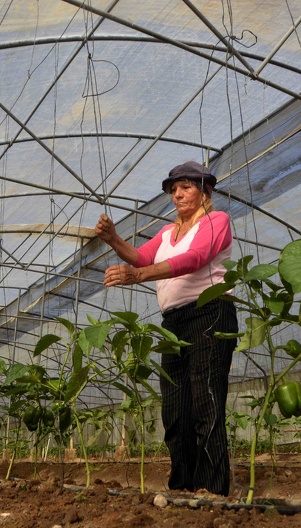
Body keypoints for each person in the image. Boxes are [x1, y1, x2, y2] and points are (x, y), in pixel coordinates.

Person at [95, 160, 238, 496]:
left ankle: (213, 491)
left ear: (205, 190)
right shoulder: (167, 232)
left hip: (210, 313)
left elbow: (197, 258)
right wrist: (113, 238)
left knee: (207, 403)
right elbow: (141, 257)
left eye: (185, 187)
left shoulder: (217, 221)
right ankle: (183, 487)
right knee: (175, 409)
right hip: (173, 324)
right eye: (173, 190)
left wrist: (138, 277)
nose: (177, 195)